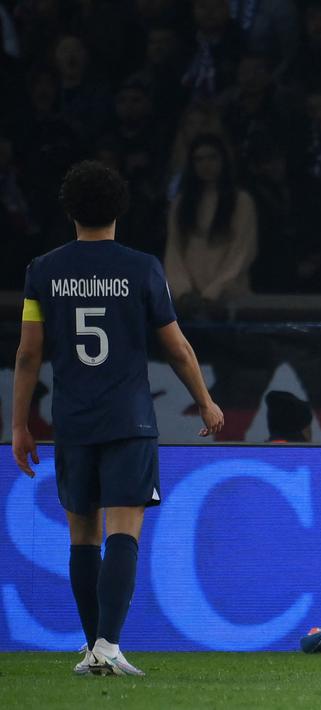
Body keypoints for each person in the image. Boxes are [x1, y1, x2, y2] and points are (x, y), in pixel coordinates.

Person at [10, 161, 224, 676]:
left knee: (81, 536)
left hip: (73, 423)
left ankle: (92, 649)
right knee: (123, 532)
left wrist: (19, 425)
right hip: (129, 421)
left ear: (69, 211)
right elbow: (175, 348)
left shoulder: (43, 271)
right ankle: (107, 644)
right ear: (120, 210)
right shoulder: (142, 268)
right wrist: (205, 398)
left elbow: (27, 356)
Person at [164, 133, 259, 310]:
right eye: (199, 159)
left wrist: (214, 292)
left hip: (229, 298)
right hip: (188, 300)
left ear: (224, 160)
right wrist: (183, 291)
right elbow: (173, 251)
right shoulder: (181, 203)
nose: (205, 165)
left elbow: (242, 252)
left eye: (212, 158)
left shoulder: (241, 201)